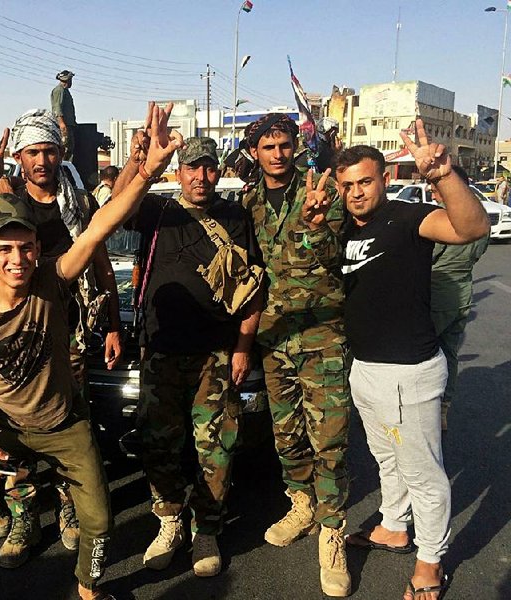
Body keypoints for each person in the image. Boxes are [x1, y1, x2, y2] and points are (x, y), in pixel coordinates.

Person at [0, 104, 182, 600]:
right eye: (4, 249)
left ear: (37, 249)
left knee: (99, 519)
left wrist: (148, 171)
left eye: (26, 247)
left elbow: (100, 227)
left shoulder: (53, 278)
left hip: (64, 424)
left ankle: (89, 589)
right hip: (5, 427)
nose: (17, 258)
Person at [333, 121, 489, 600]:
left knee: (423, 471)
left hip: (408, 373)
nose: (357, 192)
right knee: (386, 459)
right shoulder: (340, 227)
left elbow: (472, 226)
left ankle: (430, 561)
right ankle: (394, 527)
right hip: (366, 369)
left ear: (383, 178)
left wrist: (442, 176)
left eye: (365, 181)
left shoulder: (408, 218)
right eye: (348, 185)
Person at [117, 133, 264, 577]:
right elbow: (117, 204)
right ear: (178, 172)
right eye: (191, 168)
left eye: (209, 168)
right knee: (159, 444)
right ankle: (169, 521)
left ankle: (207, 530)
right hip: (161, 349)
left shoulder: (235, 216)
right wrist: (138, 160)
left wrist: (242, 347)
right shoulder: (157, 209)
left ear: (218, 171)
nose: (201, 177)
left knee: (216, 446)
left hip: (215, 354)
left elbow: (255, 285)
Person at [0, 108, 124, 568]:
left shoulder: (79, 203)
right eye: (33, 152)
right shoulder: (7, 202)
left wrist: (115, 323)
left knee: (66, 418)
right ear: (20, 157)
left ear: (60, 154)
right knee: (14, 419)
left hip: (69, 331)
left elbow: (99, 262)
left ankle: (67, 504)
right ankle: (25, 515)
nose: (41, 160)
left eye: (49, 151)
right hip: (12, 329)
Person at [241, 113, 352, 597]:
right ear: (254, 153)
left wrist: (312, 221)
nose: (279, 154)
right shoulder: (246, 202)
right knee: (286, 433)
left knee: (329, 436)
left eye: (285, 145)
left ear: (295, 147)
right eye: (269, 147)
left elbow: (330, 253)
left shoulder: (321, 190)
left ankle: (333, 531)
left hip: (320, 332)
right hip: (273, 336)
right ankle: (302, 503)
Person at [429, 166, 489, 431]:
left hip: (438, 291)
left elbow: (430, 256)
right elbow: (479, 252)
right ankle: (443, 408)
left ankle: (423, 409)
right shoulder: (479, 217)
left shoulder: (447, 219)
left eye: (435, 187)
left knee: (421, 354)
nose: (432, 192)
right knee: (449, 353)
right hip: (464, 291)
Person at [51, 70, 77, 161]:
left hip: (69, 125)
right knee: (65, 150)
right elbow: (57, 108)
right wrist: (62, 125)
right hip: (64, 126)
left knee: (69, 150)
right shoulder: (59, 90)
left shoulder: (65, 91)